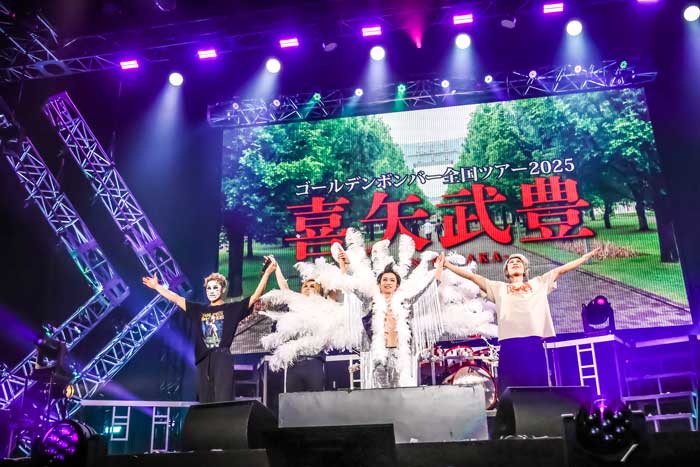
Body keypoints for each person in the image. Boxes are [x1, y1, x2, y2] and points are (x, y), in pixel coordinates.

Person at [443, 248, 601, 394]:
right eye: (511, 262)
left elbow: (561, 270)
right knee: (511, 390)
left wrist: (584, 258)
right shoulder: (498, 287)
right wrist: (447, 264)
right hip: (509, 345)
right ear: (506, 272)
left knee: (537, 390)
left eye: (518, 262)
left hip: (533, 344)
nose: (515, 263)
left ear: (525, 270)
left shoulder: (538, 283)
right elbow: (472, 276)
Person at [142, 258, 277, 403]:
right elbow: (176, 299)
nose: (211, 291)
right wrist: (157, 287)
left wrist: (267, 273)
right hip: (203, 359)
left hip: (222, 357)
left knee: (223, 398)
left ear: (223, 290)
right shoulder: (199, 310)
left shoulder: (231, 309)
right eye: (209, 288)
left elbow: (255, 296)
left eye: (215, 288)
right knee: (205, 400)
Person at [270, 264, 326, 393]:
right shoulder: (296, 304)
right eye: (305, 286)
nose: (308, 288)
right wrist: (277, 268)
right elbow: (285, 289)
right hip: (294, 362)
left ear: (319, 290)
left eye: (312, 286)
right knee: (292, 401)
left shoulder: (323, 306)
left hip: (314, 361)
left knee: (316, 401)